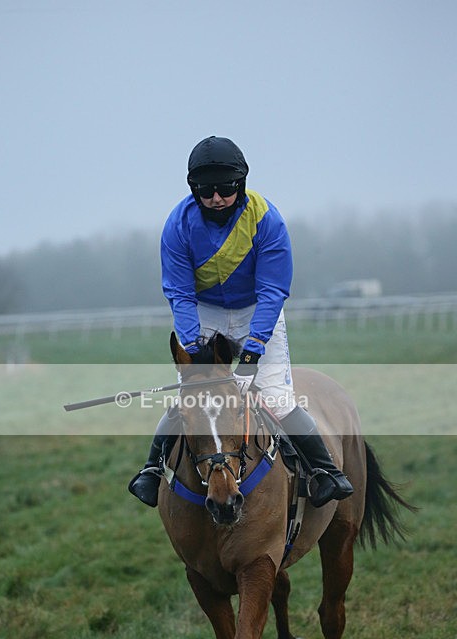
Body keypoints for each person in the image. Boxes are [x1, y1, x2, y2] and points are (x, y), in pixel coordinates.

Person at [128, 135, 353, 508]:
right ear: (193, 190)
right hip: (205, 312)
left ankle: (326, 472)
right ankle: (152, 471)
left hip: (257, 311)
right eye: (206, 190)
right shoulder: (177, 225)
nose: (216, 198)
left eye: (225, 189)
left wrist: (252, 353)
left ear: (241, 184)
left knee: (277, 400)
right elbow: (180, 294)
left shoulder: (267, 219)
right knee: (191, 400)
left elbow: (273, 291)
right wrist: (196, 349)